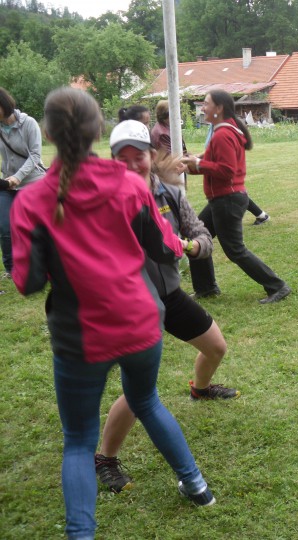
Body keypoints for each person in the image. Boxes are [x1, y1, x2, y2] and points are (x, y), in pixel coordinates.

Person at [11, 88, 216, 539]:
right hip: (141, 323)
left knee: (78, 441)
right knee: (147, 401)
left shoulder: (31, 200)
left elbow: (27, 282)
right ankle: (198, 487)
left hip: (79, 338)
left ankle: (81, 532)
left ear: (48, 134)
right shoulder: (130, 185)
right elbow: (164, 249)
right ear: (98, 130)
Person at [94, 120, 237, 494]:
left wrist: (193, 246)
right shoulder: (105, 201)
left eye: (137, 155)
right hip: (135, 307)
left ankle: (200, 389)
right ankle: (105, 458)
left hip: (170, 295)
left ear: (150, 155)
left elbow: (199, 232)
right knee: (140, 393)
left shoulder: (169, 193)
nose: (131, 164)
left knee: (216, 347)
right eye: (121, 158)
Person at [181, 90, 290, 303]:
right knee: (197, 239)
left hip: (227, 200)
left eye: (206, 104)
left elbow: (227, 170)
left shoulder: (223, 134)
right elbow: (213, 164)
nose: (203, 108)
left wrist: (197, 163)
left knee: (235, 250)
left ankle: (277, 286)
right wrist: (190, 166)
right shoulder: (224, 129)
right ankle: (206, 288)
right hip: (224, 199)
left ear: (219, 108)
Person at [0, 87, 45, 282]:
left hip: (32, 183)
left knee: (36, 228)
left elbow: (35, 155)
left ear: (4, 104)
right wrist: (9, 179)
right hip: (7, 185)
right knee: (5, 227)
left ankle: (43, 264)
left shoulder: (29, 123)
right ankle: (11, 268)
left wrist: (17, 177)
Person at [203, 122, 270, 225]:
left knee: (233, 193)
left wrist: (197, 164)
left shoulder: (224, 131)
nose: (204, 112)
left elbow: (226, 163)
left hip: (227, 191)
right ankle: (261, 215)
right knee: (234, 194)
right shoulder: (217, 126)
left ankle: (261, 215)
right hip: (226, 191)